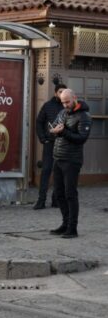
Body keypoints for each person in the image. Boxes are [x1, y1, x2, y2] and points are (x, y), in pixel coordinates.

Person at [49, 89, 91, 238]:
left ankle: (73, 229)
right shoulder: (62, 113)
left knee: (70, 194)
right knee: (58, 193)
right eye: (63, 102)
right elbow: (53, 126)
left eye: (67, 102)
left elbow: (81, 138)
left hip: (72, 160)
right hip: (58, 157)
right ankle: (65, 223)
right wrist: (53, 130)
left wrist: (63, 132)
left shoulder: (84, 116)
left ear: (75, 98)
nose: (65, 105)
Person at [33, 83, 65, 210]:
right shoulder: (47, 105)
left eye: (64, 91)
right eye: (60, 92)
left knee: (60, 172)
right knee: (46, 171)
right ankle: (41, 201)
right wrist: (43, 139)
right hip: (50, 143)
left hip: (63, 144)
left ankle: (55, 200)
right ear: (55, 93)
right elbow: (39, 122)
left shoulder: (66, 106)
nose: (62, 94)